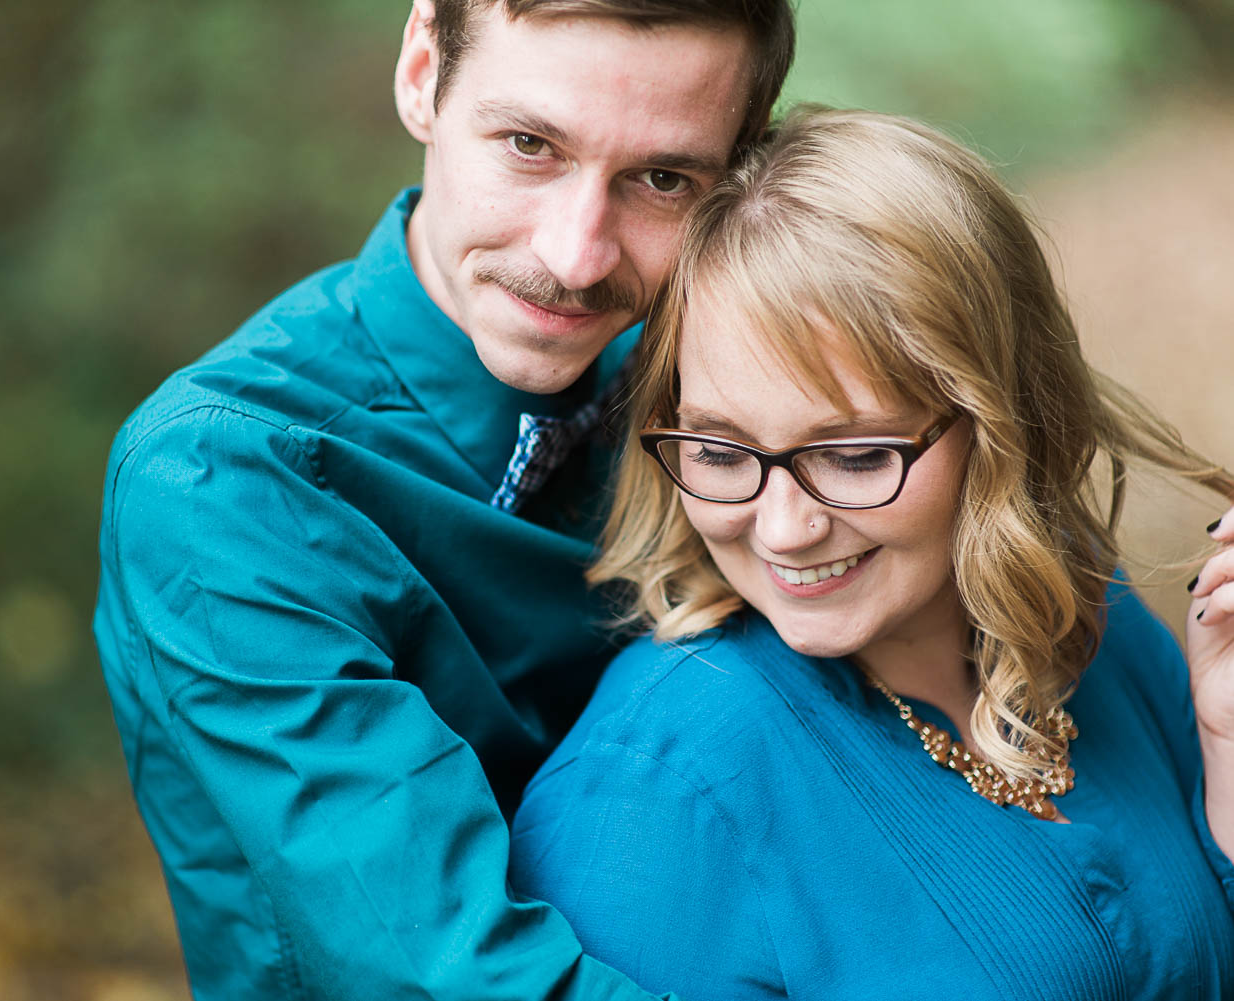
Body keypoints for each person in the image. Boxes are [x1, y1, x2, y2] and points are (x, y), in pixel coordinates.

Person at [92, 2, 795, 998]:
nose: (576, 255)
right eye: (528, 145)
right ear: (422, 71)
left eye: (662, 179)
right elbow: (451, 972)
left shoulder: (714, 388)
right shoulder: (224, 477)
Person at [508, 106, 1234, 1000]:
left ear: (1000, 427)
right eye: (721, 452)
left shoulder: (1081, 601)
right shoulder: (660, 794)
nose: (783, 529)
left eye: (854, 457)